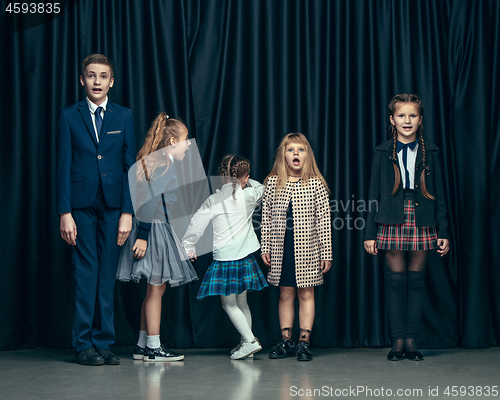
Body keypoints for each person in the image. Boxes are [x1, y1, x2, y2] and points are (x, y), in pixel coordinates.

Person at [56, 54, 136, 365]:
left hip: (115, 205)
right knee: (86, 273)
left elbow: (130, 166)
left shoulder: (124, 116)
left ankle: (104, 343)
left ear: (111, 81)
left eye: (103, 76)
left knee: (107, 275)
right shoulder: (68, 115)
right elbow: (62, 167)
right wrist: (65, 212)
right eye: (91, 75)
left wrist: (128, 211)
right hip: (80, 206)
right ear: (82, 80)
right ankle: (83, 344)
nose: (97, 81)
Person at [364, 94, 450, 361]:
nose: (407, 120)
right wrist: (370, 234)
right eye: (401, 115)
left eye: (412, 115)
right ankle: (396, 342)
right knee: (395, 280)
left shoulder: (431, 151)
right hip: (390, 217)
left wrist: (443, 232)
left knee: (416, 280)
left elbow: (440, 194)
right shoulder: (381, 151)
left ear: (420, 119)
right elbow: (373, 194)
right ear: (392, 120)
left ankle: (411, 342)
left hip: (422, 217)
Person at [116, 113, 198, 362]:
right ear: (172, 141)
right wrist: (143, 237)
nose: (188, 144)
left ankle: (142, 344)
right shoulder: (163, 165)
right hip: (153, 229)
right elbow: (151, 201)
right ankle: (153, 347)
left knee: (155, 289)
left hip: (155, 228)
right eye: (185, 140)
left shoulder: (157, 162)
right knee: (155, 289)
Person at [182, 155, 268, 360]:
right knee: (242, 302)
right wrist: (247, 180)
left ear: (222, 177)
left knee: (229, 304)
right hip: (245, 257)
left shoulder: (214, 200)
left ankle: (249, 341)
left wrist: (188, 245)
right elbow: (262, 188)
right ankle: (247, 341)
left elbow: (196, 224)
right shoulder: (250, 195)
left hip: (226, 259)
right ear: (246, 177)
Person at [261, 133, 332, 362]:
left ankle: (304, 342)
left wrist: (326, 252)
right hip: (282, 248)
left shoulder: (316, 184)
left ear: (307, 155)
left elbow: (324, 221)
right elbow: (266, 218)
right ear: (284, 155)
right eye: (291, 150)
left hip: (308, 249)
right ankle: (285, 340)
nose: (295, 154)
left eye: (300, 150)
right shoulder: (272, 182)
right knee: (285, 292)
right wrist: (266, 247)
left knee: (306, 292)